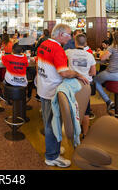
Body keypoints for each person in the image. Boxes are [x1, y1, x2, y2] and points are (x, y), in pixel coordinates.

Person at [36, 23, 90, 168]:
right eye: (69, 34)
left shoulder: (43, 44)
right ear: (60, 35)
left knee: (49, 121)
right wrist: (78, 74)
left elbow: (39, 64)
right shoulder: (57, 49)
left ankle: (54, 148)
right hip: (52, 90)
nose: (71, 37)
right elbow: (64, 72)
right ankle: (52, 156)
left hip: (43, 87)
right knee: (52, 123)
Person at [94, 30, 118, 111]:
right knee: (116, 80)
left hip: (115, 74)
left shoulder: (113, 46)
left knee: (95, 81)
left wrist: (103, 54)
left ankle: (108, 101)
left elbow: (102, 58)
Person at [65, 34, 96, 138]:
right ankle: (85, 134)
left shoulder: (69, 52)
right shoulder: (89, 55)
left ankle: (72, 132)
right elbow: (93, 72)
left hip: (71, 84)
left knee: (71, 108)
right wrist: (84, 73)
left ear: (75, 42)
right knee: (85, 110)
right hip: (85, 86)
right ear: (86, 43)